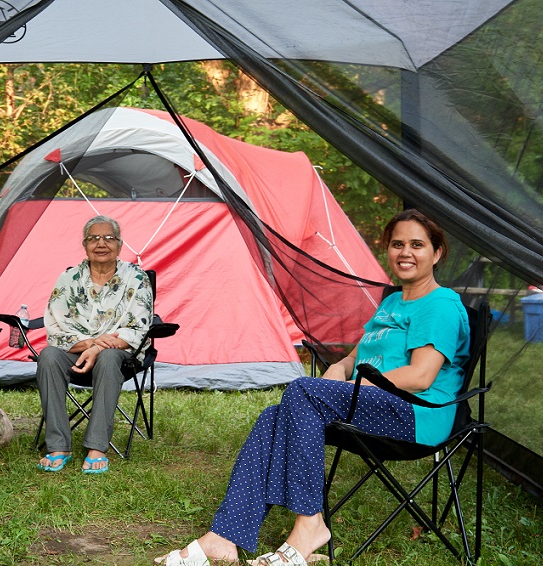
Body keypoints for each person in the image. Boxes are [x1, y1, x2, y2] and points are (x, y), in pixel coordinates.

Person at [156, 209, 470, 565]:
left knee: (303, 391)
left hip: (416, 414)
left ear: (437, 253)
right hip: (374, 402)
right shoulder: (394, 301)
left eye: (417, 245)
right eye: (397, 244)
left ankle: (310, 523)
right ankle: (224, 537)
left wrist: (352, 387)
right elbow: (358, 355)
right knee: (274, 415)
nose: (405, 253)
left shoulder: (440, 304)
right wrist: (339, 367)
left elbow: (420, 376)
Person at [36, 215, 153, 474]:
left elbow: (138, 328)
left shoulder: (136, 278)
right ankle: (58, 445)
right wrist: (89, 343)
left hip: (118, 354)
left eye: (109, 238)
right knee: (49, 356)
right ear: (85, 245)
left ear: (120, 245)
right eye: (94, 238)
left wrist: (98, 348)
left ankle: (97, 447)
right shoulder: (69, 278)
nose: (101, 243)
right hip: (75, 352)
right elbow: (54, 327)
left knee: (110, 358)